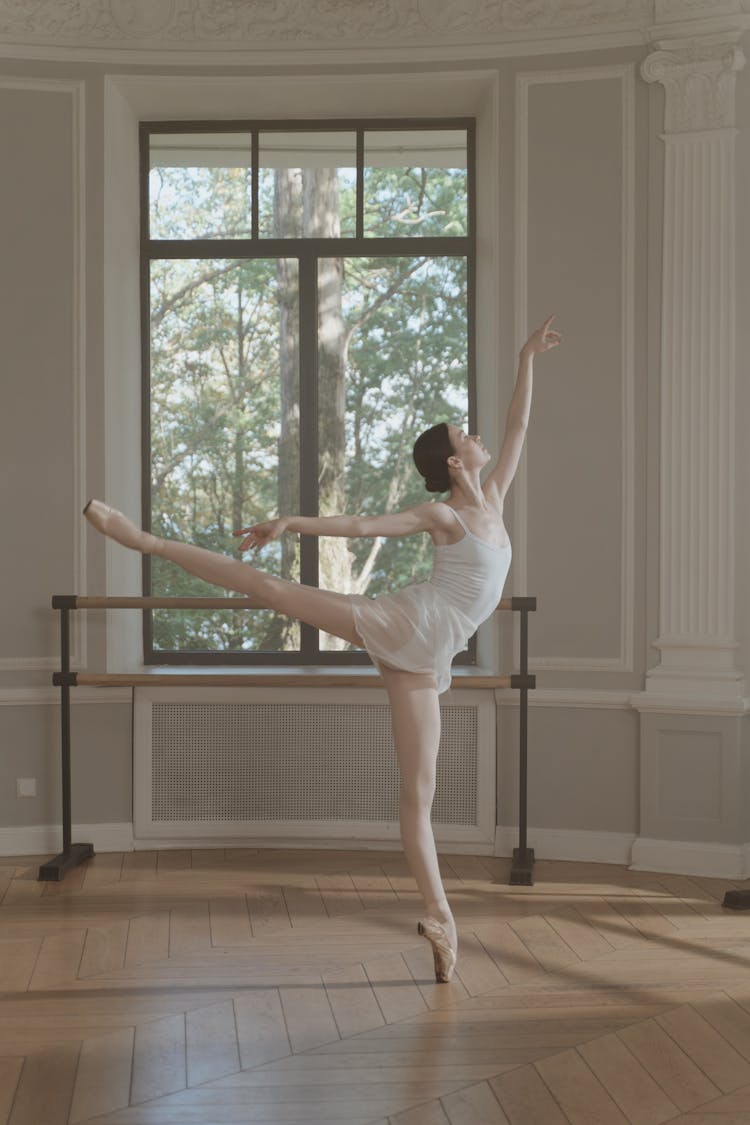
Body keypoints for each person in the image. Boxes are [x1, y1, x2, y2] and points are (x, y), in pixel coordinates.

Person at [84, 314, 561, 983]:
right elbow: (364, 523)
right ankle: (144, 541)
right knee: (269, 588)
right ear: (455, 462)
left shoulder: (494, 501)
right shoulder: (445, 515)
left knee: (416, 796)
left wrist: (525, 357)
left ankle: (441, 920)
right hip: (407, 625)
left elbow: (518, 427)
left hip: (427, 657)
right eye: (465, 434)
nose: (479, 436)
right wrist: (292, 520)